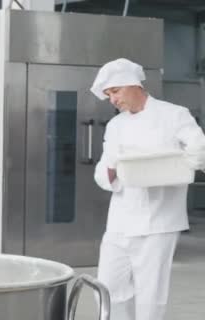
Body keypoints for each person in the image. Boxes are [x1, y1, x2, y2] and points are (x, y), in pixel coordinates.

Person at [90, 58, 205, 320]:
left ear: (133, 85)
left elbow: (199, 148)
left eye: (115, 92)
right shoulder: (116, 125)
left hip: (159, 222)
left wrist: (173, 165)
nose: (113, 100)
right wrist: (113, 170)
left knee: (150, 293)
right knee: (108, 286)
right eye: (108, 95)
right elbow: (102, 170)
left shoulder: (174, 114)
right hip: (120, 219)